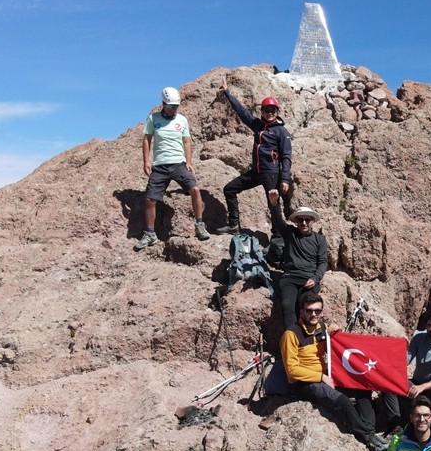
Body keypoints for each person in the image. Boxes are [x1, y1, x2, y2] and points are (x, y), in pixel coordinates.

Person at [279, 292, 385, 451]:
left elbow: (329, 334)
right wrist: (321, 377)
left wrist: (334, 330)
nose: (314, 314)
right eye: (309, 311)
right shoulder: (291, 335)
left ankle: (369, 433)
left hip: (325, 377)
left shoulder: (321, 326)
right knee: (342, 401)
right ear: (301, 312)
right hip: (304, 384)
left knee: (363, 387)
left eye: (318, 311)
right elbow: (292, 371)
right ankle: (367, 439)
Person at [136, 86, 210, 249]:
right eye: (171, 106)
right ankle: (150, 233)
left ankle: (199, 225)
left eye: (176, 106)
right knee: (150, 199)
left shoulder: (182, 120)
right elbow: (147, 139)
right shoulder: (153, 119)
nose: (173, 109)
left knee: (195, 190)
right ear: (163, 103)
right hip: (160, 165)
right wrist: (146, 161)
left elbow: (187, 141)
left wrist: (189, 162)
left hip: (178, 163)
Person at [220, 88, 293, 233]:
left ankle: (277, 237)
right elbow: (242, 112)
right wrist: (228, 93)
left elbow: (286, 156)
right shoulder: (258, 125)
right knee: (229, 189)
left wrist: (284, 179)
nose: (269, 113)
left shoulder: (281, 131)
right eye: (267, 110)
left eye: (272, 110)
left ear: (277, 111)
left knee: (273, 203)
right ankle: (234, 225)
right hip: (256, 171)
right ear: (262, 111)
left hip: (271, 173)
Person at [377, 307, 431, 431]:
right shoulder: (419, 339)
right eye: (430, 325)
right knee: (389, 383)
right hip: (416, 383)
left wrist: (422, 387)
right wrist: (396, 346)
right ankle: (396, 426)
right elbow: (405, 360)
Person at [271, 205, 328, 328]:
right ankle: (292, 340)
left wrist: (315, 279)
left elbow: (323, 262)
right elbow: (277, 219)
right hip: (289, 278)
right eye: (300, 220)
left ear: (312, 221)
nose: (304, 223)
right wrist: (274, 204)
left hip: (309, 280)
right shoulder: (289, 233)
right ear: (296, 221)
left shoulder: (320, 239)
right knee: (288, 306)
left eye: (307, 220)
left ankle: (307, 340)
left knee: (307, 307)